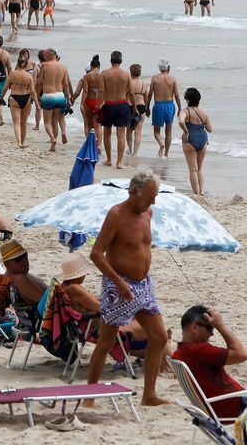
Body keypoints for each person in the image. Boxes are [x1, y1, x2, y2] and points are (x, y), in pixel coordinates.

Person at [86, 171, 170, 407]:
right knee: (106, 342)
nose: (153, 201)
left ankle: (149, 395)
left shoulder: (148, 213)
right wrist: (120, 283)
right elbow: (96, 253)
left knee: (159, 337)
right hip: (117, 285)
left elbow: (142, 247)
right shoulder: (116, 215)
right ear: (134, 192)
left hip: (144, 285)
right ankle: (89, 396)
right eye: (150, 196)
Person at [60, 251, 159, 361]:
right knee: (151, 329)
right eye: (83, 272)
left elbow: (96, 304)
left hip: (85, 326)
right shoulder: (74, 289)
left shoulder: (65, 288)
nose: (86, 275)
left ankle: (152, 353)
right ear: (76, 275)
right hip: (98, 327)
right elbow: (102, 308)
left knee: (143, 321)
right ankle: (159, 358)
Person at [172, 306, 247, 420]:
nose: (212, 334)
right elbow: (241, 354)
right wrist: (221, 326)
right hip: (233, 407)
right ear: (194, 328)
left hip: (213, 409)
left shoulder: (178, 353)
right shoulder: (199, 352)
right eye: (210, 328)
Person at [0, 240, 48, 334]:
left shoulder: (13, 277)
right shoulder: (19, 279)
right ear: (7, 264)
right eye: (18, 259)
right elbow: (48, 304)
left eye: (25, 256)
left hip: (29, 325)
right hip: (39, 327)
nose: (24, 261)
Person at [99, 51, 135, 169]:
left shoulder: (104, 73)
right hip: (122, 104)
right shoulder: (126, 74)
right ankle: (119, 162)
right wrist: (134, 107)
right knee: (121, 135)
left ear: (111, 60)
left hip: (108, 104)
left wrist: (98, 106)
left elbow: (101, 92)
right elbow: (131, 93)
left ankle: (109, 159)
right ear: (121, 61)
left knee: (107, 132)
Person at [35, 48, 72, 152]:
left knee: (47, 122)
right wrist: (68, 99)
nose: (44, 58)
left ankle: (53, 139)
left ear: (50, 55)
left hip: (49, 95)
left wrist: (36, 95)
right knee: (55, 121)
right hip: (60, 96)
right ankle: (57, 140)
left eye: (45, 56)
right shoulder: (63, 67)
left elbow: (39, 82)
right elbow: (66, 85)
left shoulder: (45, 65)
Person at [179, 87, 213, 195]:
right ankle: (202, 191)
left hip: (190, 139)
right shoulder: (204, 112)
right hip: (203, 139)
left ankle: (196, 192)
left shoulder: (185, 111)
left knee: (192, 169)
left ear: (188, 99)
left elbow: (181, 121)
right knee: (200, 168)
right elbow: (210, 129)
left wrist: (186, 131)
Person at [0, 52, 35, 147]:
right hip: (26, 98)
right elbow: (33, 91)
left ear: (18, 63)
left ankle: (19, 142)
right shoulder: (29, 76)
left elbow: (5, 88)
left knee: (16, 122)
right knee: (23, 123)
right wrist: (37, 105)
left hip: (15, 97)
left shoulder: (12, 74)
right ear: (26, 65)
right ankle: (22, 142)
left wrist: (1, 98)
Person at [147, 58, 181, 159]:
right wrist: (179, 108)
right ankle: (166, 154)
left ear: (159, 68)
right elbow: (177, 95)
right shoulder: (173, 79)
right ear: (168, 68)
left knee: (157, 131)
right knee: (168, 131)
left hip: (158, 105)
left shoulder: (154, 78)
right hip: (170, 105)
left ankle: (161, 144)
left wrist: (147, 106)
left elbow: (150, 94)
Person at [73, 55, 105, 150]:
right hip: (99, 102)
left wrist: (82, 103)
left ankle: (89, 145)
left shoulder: (86, 76)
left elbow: (85, 91)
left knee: (87, 124)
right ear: (99, 66)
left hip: (89, 101)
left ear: (90, 66)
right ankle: (99, 145)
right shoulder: (102, 76)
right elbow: (103, 91)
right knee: (98, 125)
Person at [127, 63, 150, 157]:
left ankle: (129, 149)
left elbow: (124, 95)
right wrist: (147, 109)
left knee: (129, 130)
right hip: (141, 107)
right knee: (138, 131)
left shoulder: (128, 83)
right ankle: (135, 153)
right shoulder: (144, 84)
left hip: (129, 106)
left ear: (130, 72)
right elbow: (146, 99)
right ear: (140, 73)